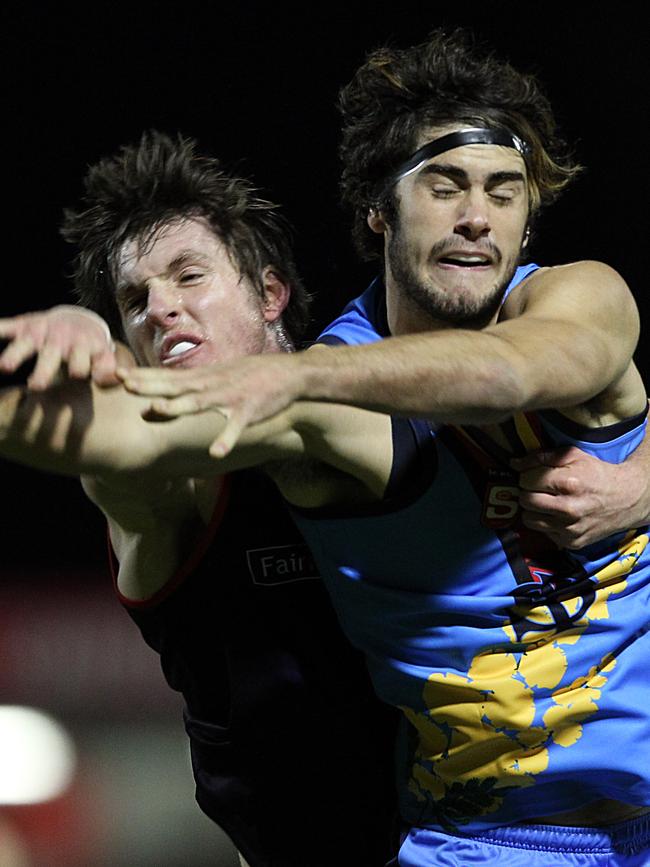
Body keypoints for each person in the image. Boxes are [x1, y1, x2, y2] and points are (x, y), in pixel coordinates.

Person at [110, 32, 650, 865]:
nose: (478, 215)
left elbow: (516, 370)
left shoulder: (581, 299)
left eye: (504, 193)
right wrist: (74, 357)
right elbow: (123, 445)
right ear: (378, 207)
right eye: (445, 186)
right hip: (497, 842)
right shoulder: (325, 392)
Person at [0, 131, 403, 867]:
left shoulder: (369, 402)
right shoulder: (172, 495)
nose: (162, 308)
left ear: (271, 291)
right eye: (134, 301)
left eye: (189, 276)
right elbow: (113, 445)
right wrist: (87, 350)